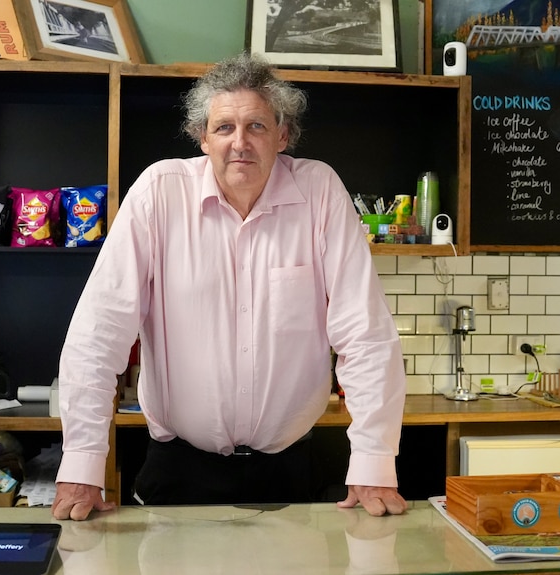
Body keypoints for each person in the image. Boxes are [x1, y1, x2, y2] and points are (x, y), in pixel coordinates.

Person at [52, 52, 407, 520]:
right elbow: (99, 334)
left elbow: (365, 334)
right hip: (178, 471)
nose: (240, 143)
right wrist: (81, 465)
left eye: (256, 126)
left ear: (283, 135)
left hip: (292, 472)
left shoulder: (320, 191)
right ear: (202, 137)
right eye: (224, 128)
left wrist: (374, 462)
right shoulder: (159, 192)